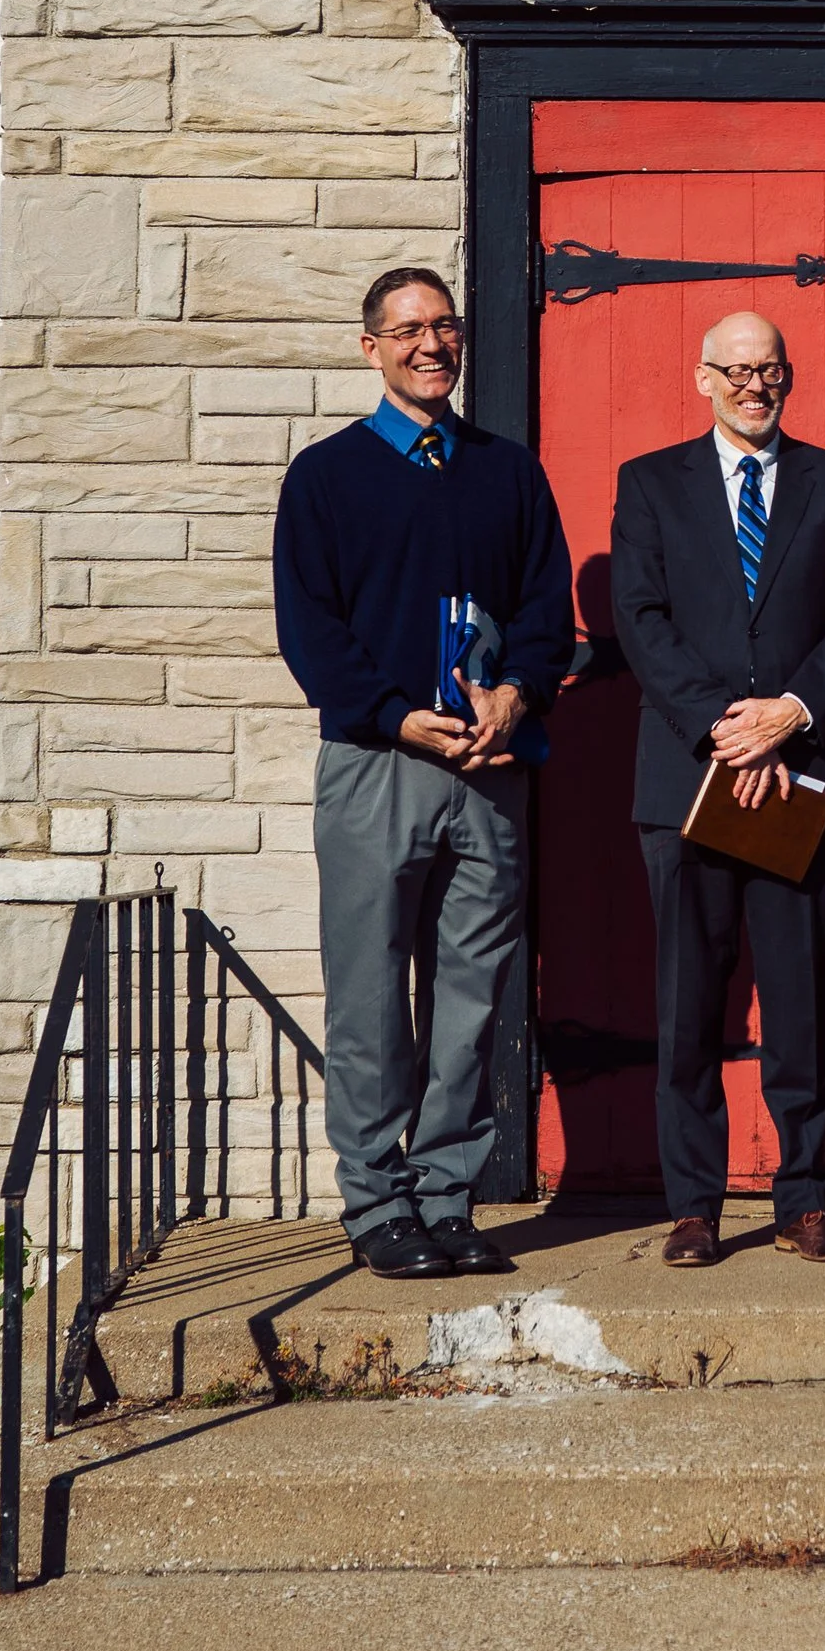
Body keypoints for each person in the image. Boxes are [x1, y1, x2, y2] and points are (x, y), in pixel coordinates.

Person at [272, 263, 572, 1281]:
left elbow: (544, 608)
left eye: (443, 326)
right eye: (407, 331)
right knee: (367, 996)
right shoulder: (324, 477)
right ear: (372, 348)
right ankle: (377, 1202)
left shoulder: (507, 471)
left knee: (471, 998)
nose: (430, 344)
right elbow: (310, 630)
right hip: (377, 765)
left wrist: (517, 694)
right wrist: (399, 716)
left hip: (489, 764)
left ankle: (446, 1198)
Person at [610, 310, 825, 1271]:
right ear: (703, 379)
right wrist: (728, 727)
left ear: (789, 376)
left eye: (768, 369)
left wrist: (791, 712)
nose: (752, 385)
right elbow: (641, 619)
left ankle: (803, 1199)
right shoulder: (649, 484)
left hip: (801, 779)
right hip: (690, 779)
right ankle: (693, 1205)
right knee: (689, 1004)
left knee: (799, 1004)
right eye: (734, 370)